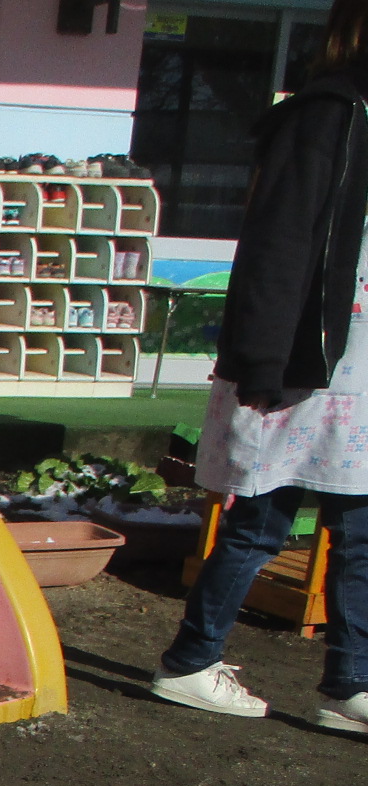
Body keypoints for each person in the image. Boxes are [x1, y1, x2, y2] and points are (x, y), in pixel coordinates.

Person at [154, 0, 368, 733]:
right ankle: (190, 660)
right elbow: (279, 242)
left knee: (361, 531)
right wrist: (263, 359)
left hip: (358, 366)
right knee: (260, 521)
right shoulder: (326, 114)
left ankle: (350, 682)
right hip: (309, 357)